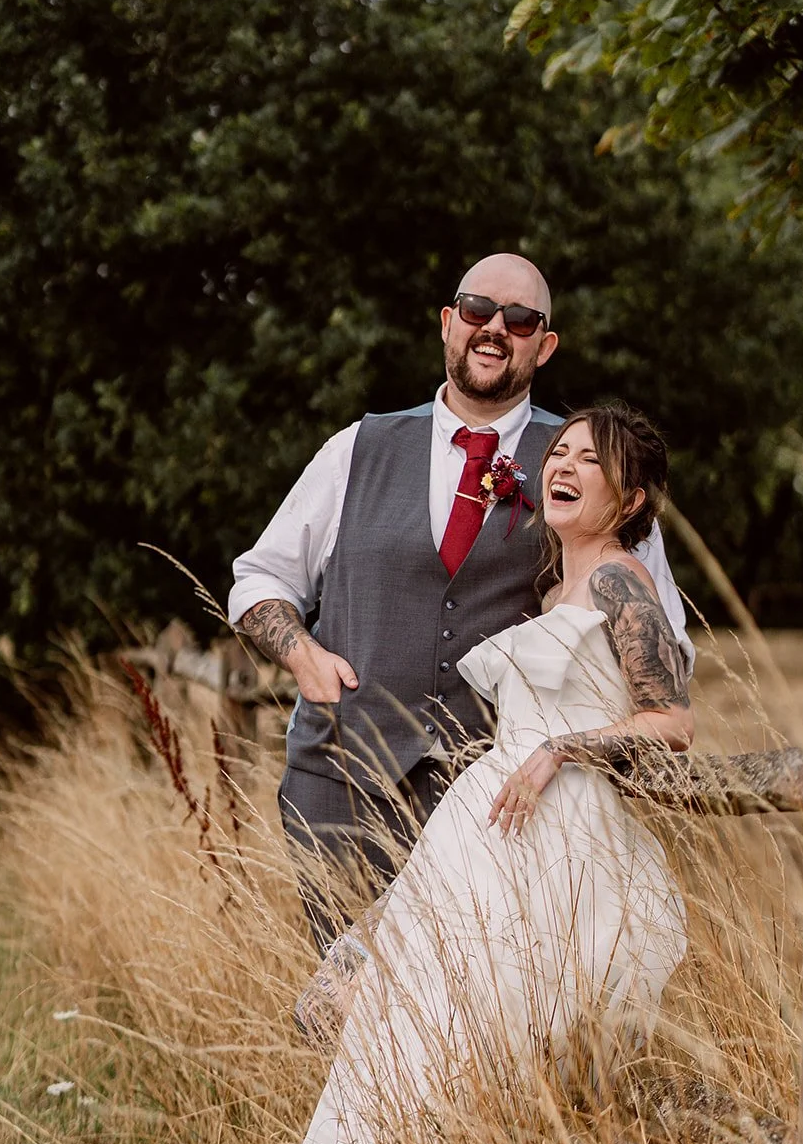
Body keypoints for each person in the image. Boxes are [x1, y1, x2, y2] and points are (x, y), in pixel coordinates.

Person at [46, 402, 691, 1144]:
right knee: (384, 1067)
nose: (559, 465)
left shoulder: (616, 577)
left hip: (553, 850)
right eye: (554, 453)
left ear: (631, 496)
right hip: (481, 842)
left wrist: (565, 747)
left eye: (587, 460)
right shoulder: (551, 576)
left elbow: (668, 723)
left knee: (435, 1076)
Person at [227, 253, 693, 951]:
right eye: (476, 310)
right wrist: (303, 657)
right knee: (342, 1006)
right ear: (449, 324)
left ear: (544, 343)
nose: (494, 328)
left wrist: (575, 745)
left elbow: (661, 646)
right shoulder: (359, 446)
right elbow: (260, 578)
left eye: (519, 318)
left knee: (461, 1010)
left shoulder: (585, 463)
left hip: (496, 804)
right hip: (339, 777)